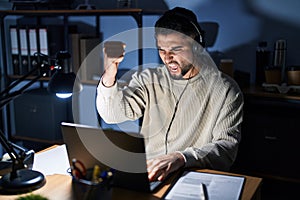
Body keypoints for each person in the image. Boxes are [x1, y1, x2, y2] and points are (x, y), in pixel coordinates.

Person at [96, 7, 243, 182]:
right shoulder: (148, 78)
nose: (168, 58)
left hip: (190, 176)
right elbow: (112, 114)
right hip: (149, 175)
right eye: (162, 50)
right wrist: (110, 73)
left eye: (176, 49)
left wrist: (181, 158)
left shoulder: (226, 90)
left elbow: (226, 149)